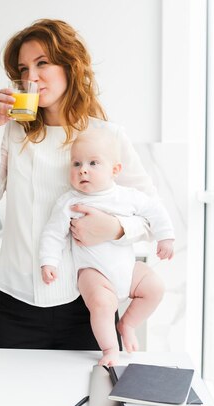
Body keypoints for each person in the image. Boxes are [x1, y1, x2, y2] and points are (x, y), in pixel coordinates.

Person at [0, 19, 158, 350]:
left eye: (42, 63)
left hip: (89, 307)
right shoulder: (12, 133)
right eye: (24, 68)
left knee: (90, 400)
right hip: (17, 304)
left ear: (70, 66)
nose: (31, 77)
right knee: (12, 402)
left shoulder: (108, 136)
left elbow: (153, 217)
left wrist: (113, 228)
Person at [39, 128, 175, 365]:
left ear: (115, 170)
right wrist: (48, 261)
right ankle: (110, 349)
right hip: (94, 273)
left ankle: (128, 323)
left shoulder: (128, 196)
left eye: (93, 163)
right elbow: (53, 234)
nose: (83, 169)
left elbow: (155, 211)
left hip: (128, 270)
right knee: (101, 305)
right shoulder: (70, 202)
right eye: (76, 163)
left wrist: (166, 237)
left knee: (155, 286)